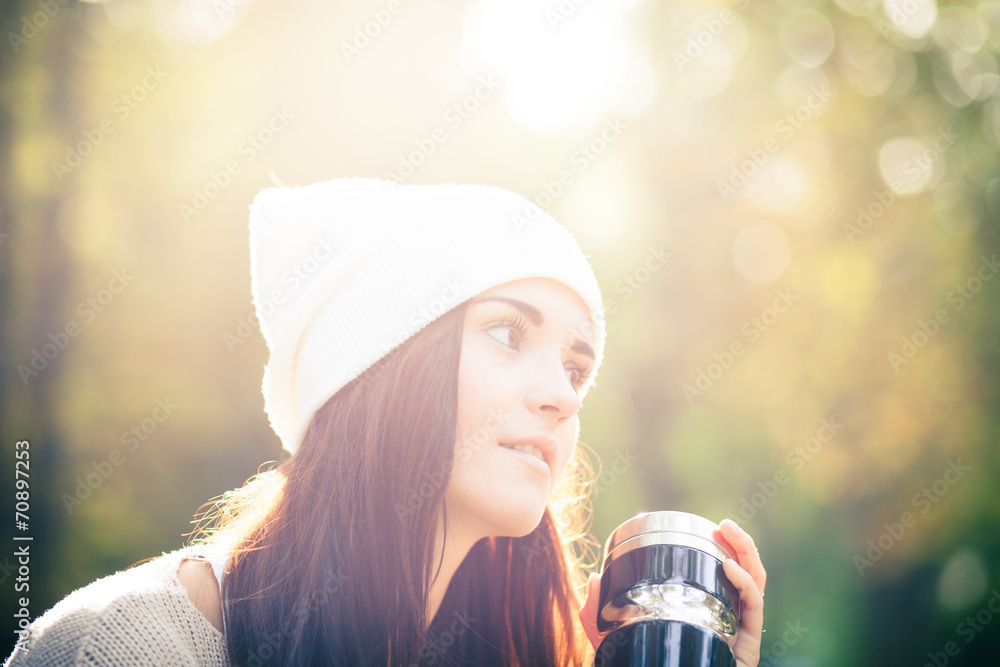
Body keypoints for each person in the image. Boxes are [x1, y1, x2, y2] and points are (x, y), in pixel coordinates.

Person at [5, 177, 766, 666]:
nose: (565, 398)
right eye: (507, 333)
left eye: (575, 367)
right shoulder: (127, 648)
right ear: (381, 365)